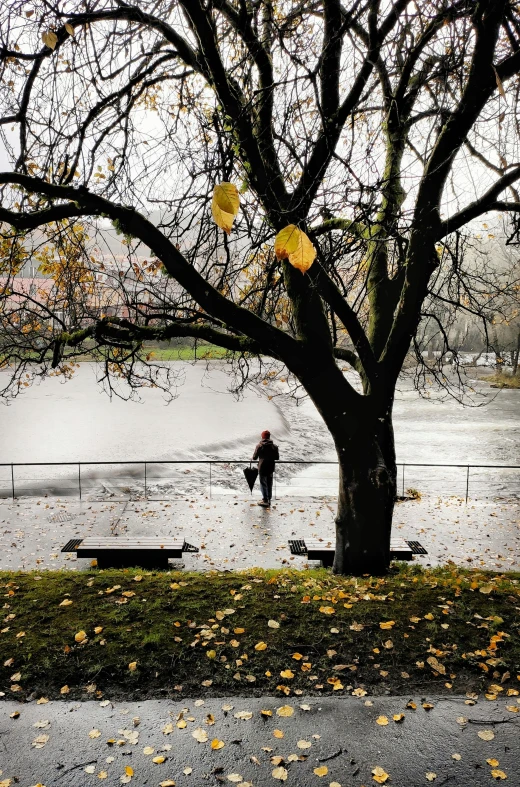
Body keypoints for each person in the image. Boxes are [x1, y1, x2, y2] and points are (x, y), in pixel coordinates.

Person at [252, 430, 279, 507]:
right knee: (269, 483)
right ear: (269, 437)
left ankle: (265, 500)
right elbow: (277, 457)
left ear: (262, 437)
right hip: (270, 466)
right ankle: (269, 498)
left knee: (263, 483)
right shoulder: (274, 447)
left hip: (262, 467)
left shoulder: (259, 446)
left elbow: (254, 458)